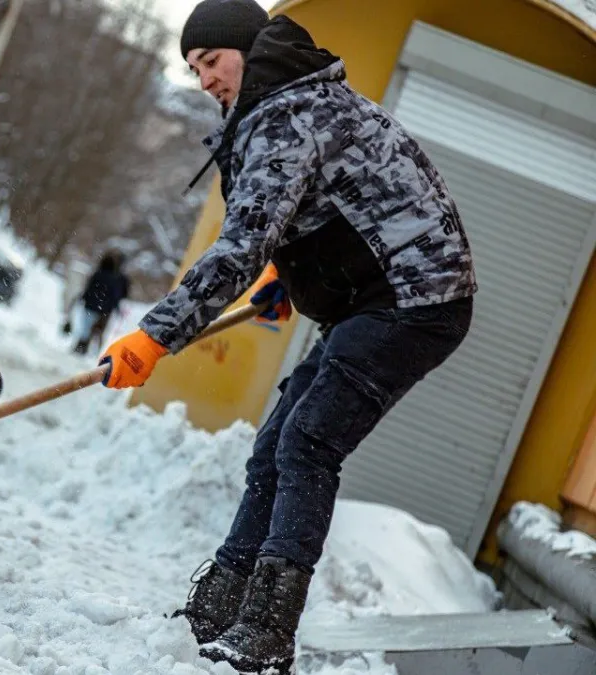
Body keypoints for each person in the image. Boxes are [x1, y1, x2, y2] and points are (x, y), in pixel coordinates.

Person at [96, 1, 477, 672]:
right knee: (275, 443)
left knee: (309, 439)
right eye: (192, 70)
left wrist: (156, 335)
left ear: (248, 47)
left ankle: (269, 629)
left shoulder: (286, 112)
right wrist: (291, 273)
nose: (205, 79)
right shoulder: (284, 103)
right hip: (374, 295)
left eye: (211, 61)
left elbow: (238, 245)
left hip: (416, 299)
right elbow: (322, 205)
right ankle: (223, 598)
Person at [72, 249, 132, 355]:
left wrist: (83, 298)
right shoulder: (119, 278)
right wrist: (116, 307)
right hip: (105, 309)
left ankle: (81, 347)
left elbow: (89, 288)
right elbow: (117, 295)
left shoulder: (97, 274)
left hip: (91, 305)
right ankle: (96, 352)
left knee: (87, 328)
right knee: (99, 331)